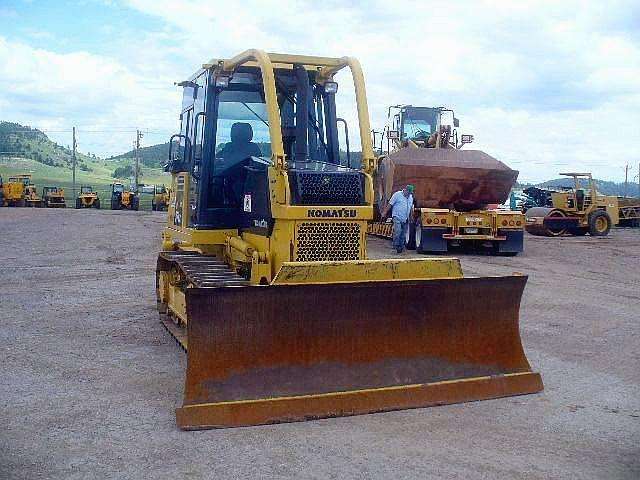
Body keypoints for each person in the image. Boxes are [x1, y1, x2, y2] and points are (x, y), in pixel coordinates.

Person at [382, 184, 415, 253]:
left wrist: (411, 217)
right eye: (409, 192)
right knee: (398, 231)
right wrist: (384, 212)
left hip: (405, 218)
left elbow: (411, 208)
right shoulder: (397, 195)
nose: (409, 194)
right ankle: (395, 246)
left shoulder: (410, 197)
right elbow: (390, 204)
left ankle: (400, 247)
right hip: (397, 216)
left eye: (410, 193)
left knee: (403, 234)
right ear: (405, 190)